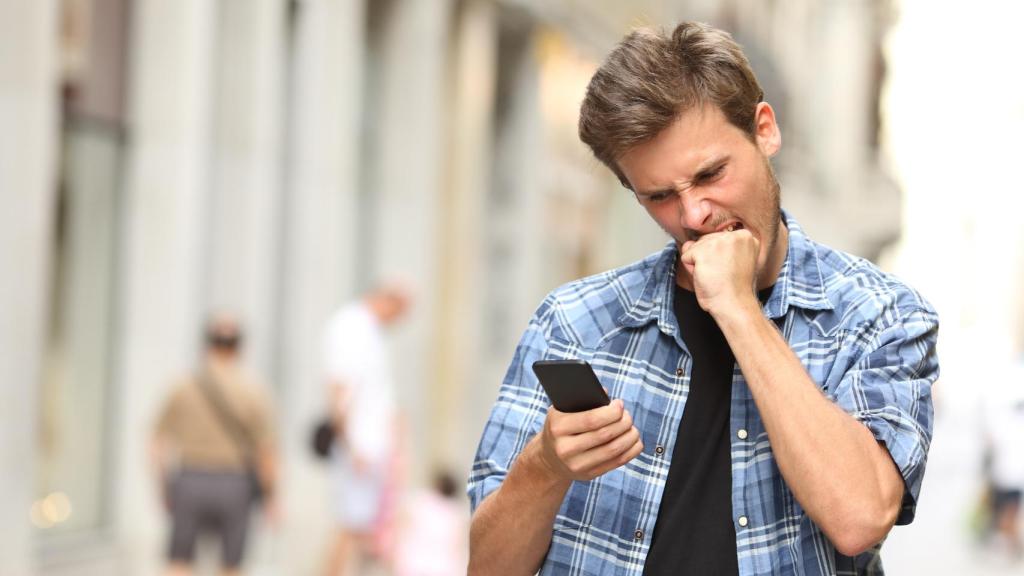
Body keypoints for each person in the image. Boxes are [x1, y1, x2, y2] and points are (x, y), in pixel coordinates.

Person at [468, 21, 939, 575]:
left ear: (764, 130)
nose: (693, 216)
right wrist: (545, 466)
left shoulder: (880, 315)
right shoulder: (574, 323)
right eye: (660, 196)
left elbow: (860, 516)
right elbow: (487, 569)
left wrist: (738, 308)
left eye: (711, 173)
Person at [151, 315, 279, 576]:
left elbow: (156, 441)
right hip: (235, 482)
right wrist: (271, 496)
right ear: (240, 347)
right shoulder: (253, 389)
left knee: (179, 560)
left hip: (190, 478)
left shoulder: (182, 386)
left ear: (206, 345)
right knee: (232, 563)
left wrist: (163, 485)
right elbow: (267, 450)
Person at [322, 285, 411, 576]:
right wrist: (350, 444)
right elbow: (339, 388)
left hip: (372, 445)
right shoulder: (351, 326)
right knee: (352, 527)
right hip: (360, 445)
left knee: (367, 530)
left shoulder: (369, 331)